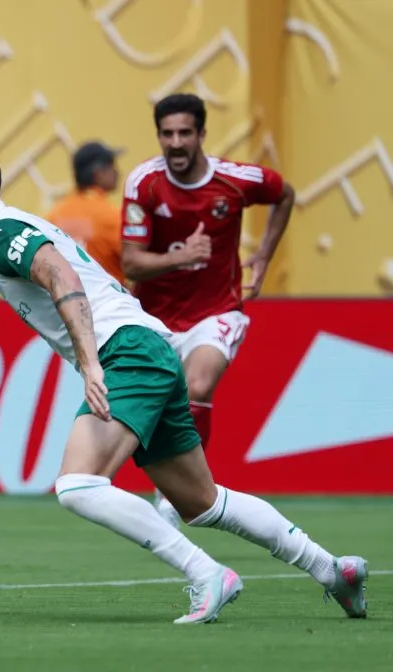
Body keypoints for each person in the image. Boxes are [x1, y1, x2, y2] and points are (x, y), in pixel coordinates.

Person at [0, 148, 367, 624]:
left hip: (127, 351)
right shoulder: (17, 222)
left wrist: (90, 361)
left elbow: (60, 275)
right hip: (150, 345)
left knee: (78, 484)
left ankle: (206, 574)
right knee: (203, 501)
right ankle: (332, 569)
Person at [119, 93, 297, 528]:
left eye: (184, 133)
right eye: (167, 134)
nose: (175, 143)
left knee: (197, 385)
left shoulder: (236, 180)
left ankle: (178, 492)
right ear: (158, 135)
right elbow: (130, 262)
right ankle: (166, 484)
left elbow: (285, 195)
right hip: (155, 318)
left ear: (201, 135)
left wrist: (265, 255)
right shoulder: (144, 183)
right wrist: (181, 257)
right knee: (156, 402)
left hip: (216, 311)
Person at [45, 141, 126, 285]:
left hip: (66, 300)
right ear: (98, 174)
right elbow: (135, 260)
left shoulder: (54, 213)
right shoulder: (110, 215)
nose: (117, 171)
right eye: (112, 165)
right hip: (108, 300)